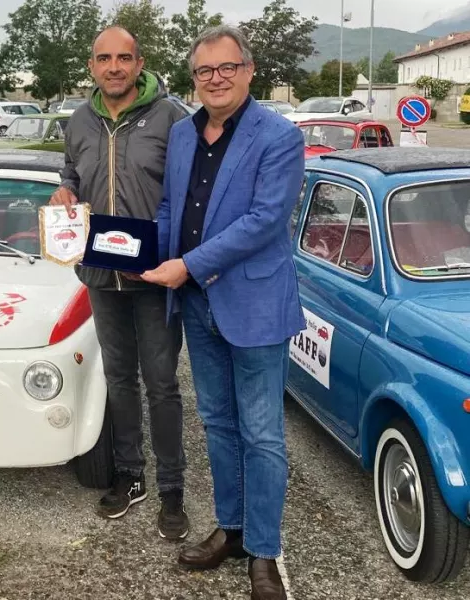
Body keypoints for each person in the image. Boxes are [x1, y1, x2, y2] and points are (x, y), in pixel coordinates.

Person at [140, 25, 305, 600]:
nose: (215, 79)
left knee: (262, 435)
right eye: (205, 71)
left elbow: (263, 221)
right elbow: (169, 209)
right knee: (218, 424)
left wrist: (186, 264)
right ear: (195, 77)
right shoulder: (184, 134)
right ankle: (231, 531)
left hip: (254, 304)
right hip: (195, 303)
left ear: (248, 70)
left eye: (226, 68)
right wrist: (137, 252)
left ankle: (264, 550)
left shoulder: (279, 136)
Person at [49, 26, 191, 540]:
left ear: (140, 63)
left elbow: (188, 188)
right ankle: (131, 476)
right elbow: (72, 172)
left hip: (153, 277)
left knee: (162, 383)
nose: (113, 67)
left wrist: (172, 253)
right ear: (92, 65)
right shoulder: (80, 120)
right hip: (99, 276)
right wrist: (64, 191)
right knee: (119, 380)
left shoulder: (172, 117)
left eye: (123, 58)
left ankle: (173, 487)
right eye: (104, 58)